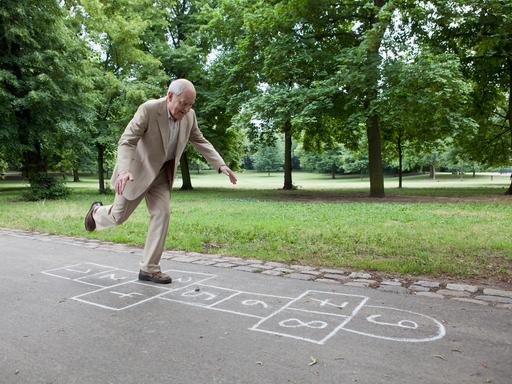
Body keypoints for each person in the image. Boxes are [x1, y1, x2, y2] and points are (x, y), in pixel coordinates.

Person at [84, 79, 237, 284]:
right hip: (135, 172)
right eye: (183, 103)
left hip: (162, 175)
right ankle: (96, 213)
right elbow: (127, 140)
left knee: (162, 214)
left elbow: (199, 140)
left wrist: (220, 165)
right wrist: (124, 171)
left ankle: (149, 269)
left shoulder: (189, 116)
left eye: (191, 104)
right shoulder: (149, 109)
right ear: (170, 96)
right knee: (118, 217)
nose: (187, 108)